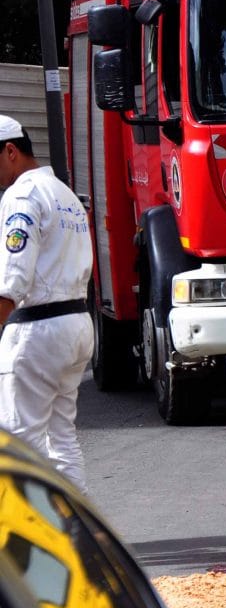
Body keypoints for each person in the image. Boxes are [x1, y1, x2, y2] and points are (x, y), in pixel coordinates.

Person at [0, 115, 93, 491]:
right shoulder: (63, 192)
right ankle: (77, 533)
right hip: (75, 325)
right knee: (61, 438)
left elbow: (11, 278)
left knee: (19, 440)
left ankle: (26, 540)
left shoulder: (21, 195)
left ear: (10, 151)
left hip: (36, 330)